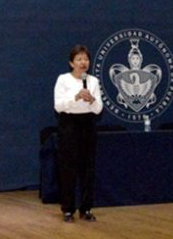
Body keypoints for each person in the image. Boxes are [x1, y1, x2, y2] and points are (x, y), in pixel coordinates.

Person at [53, 45, 103, 223]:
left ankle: (86, 208)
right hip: (69, 124)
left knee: (88, 168)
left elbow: (98, 109)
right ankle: (68, 209)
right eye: (79, 59)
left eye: (86, 59)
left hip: (88, 124)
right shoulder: (63, 79)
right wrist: (76, 97)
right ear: (71, 63)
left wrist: (92, 99)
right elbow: (58, 106)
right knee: (68, 168)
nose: (83, 62)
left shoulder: (93, 81)